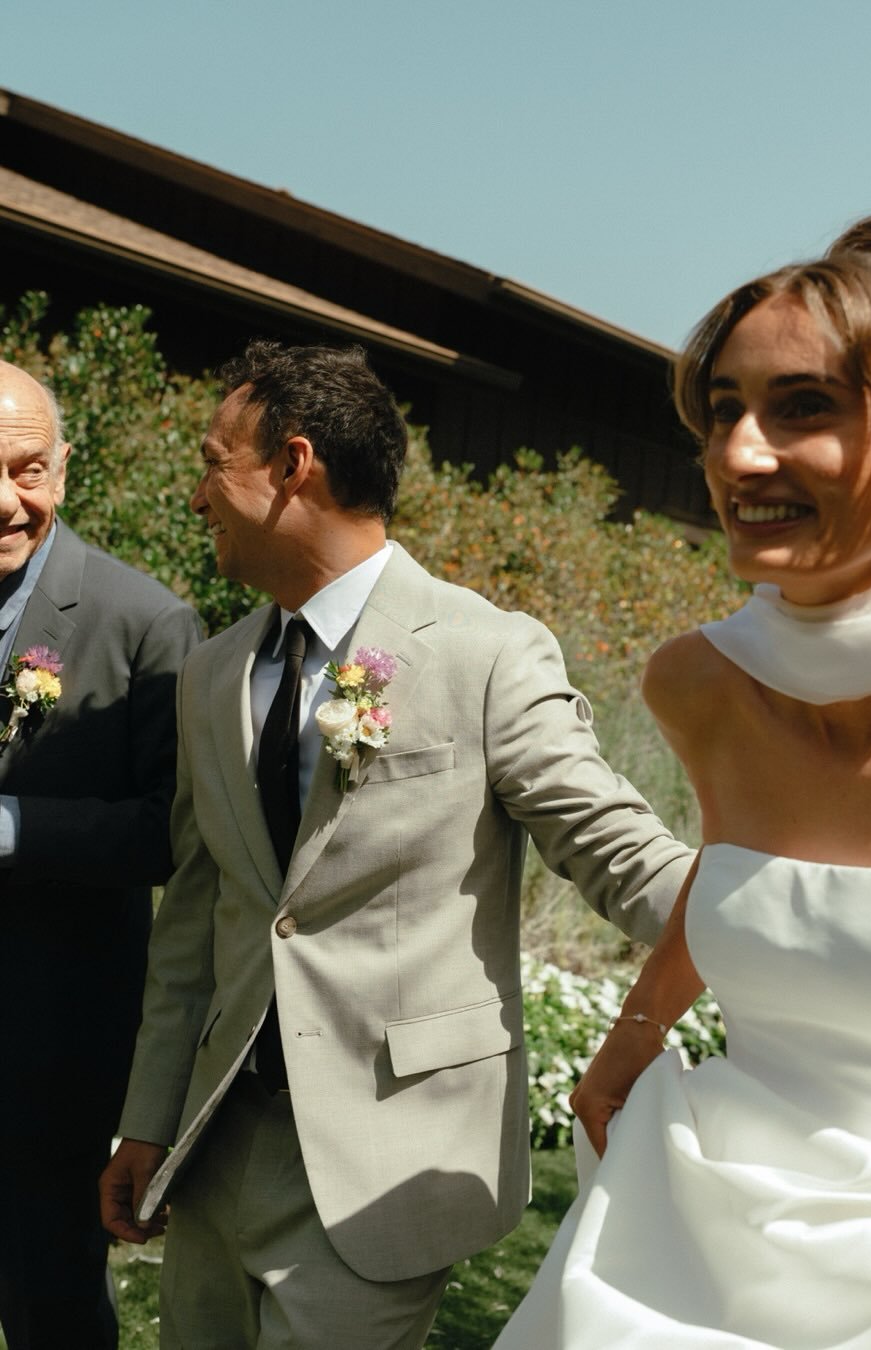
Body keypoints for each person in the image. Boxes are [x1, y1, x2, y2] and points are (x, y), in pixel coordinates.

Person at [495, 197, 871, 1348]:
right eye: (723, 412)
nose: (739, 456)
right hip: (701, 1231)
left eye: (801, 409)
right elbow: (741, 866)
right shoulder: (699, 686)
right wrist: (626, 1048)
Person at [98, 340, 692, 1349]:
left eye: (212, 462)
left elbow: (620, 852)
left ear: (292, 467)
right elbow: (200, 916)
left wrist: (774, 925)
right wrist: (150, 1117)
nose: (197, 495)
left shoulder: (487, 651)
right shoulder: (210, 674)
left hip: (387, 1159)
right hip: (215, 1157)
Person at [0, 362, 201, 1350]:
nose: (7, 501)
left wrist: (10, 829)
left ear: (66, 469)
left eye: (28, 470)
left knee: (50, 1305)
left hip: (45, 1053)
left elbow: (174, 828)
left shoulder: (144, 622)